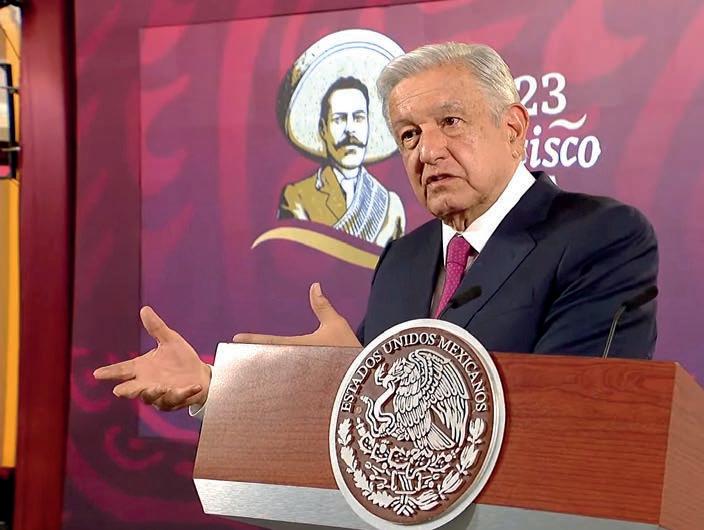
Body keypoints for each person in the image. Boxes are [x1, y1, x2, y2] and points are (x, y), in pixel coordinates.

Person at [94, 43, 657, 412]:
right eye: (409, 134)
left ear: (512, 128)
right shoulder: (404, 259)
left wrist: (365, 379)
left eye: (450, 122)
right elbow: (353, 417)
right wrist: (214, 388)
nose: (427, 151)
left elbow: (571, 416)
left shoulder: (600, 236)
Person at [277, 76, 405, 246]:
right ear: (323, 129)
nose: (350, 130)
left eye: (358, 118)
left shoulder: (390, 206)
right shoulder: (297, 198)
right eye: (339, 119)